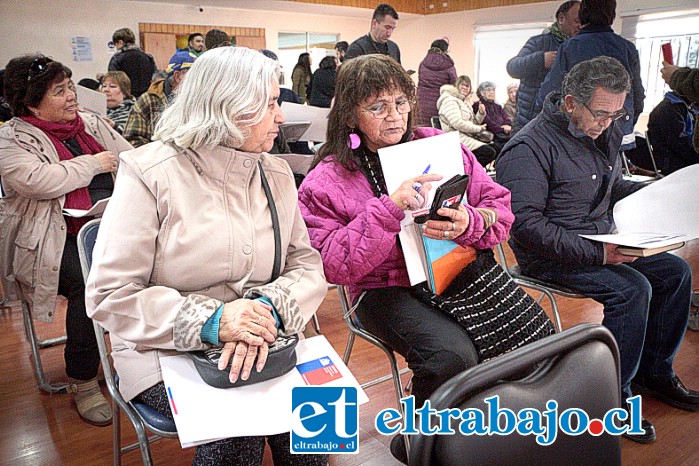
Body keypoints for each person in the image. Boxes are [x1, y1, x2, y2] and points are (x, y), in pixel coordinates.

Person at [85, 46, 327, 465]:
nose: (282, 117)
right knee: (238, 432)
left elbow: (306, 265)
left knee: (323, 417)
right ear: (229, 107)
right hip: (162, 347)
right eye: (271, 104)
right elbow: (110, 294)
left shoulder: (275, 172)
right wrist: (214, 321)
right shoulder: (149, 172)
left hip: (267, 335)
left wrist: (267, 307)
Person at [298, 54, 514, 462]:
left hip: (452, 270)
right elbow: (333, 265)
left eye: (400, 102)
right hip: (382, 289)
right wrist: (387, 209)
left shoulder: (436, 144)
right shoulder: (326, 178)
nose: (394, 116)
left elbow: (500, 212)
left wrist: (468, 221)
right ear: (349, 114)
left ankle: (467, 432)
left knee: (516, 337)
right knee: (451, 355)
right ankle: (420, 441)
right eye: (377, 107)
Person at [496, 57, 699, 445]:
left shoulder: (600, 131)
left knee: (675, 272)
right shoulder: (527, 147)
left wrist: (663, 193)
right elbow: (525, 226)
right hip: (550, 253)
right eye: (602, 113)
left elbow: (611, 188)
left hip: (599, 240)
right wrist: (599, 255)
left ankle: (655, 373)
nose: (609, 122)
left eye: (617, 113)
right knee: (632, 289)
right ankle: (609, 399)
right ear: (570, 103)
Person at [0, 54, 132, 426]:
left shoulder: (89, 124)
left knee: (166, 260)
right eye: (60, 91)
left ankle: (141, 361)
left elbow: (134, 160)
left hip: (110, 227)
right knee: (91, 285)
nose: (73, 96)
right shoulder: (11, 139)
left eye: (70, 86)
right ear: (30, 102)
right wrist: (96, 164)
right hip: (52, 243)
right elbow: (38, 181)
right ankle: (84, 380)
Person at [536, 0, 644, 150]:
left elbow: (549, 92)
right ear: (612, 15)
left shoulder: (570, 46)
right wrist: (626, 123)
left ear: (582, 15)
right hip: (619, 129)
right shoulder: (627, 48)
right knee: (611, 171)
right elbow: (638, 96)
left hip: (580, 129)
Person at [506, 0, 581, 132]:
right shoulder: (539, 42)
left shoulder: (579, 48)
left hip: (559, 124)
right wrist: (541, 59)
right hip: (528, 122)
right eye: (576, 20)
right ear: (561, 18)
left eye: (583, 22)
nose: (580, 25)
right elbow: (512, 67)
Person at [122, 50, 196, 147]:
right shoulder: (149, 100)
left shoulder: (200, 100)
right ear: (178, 76)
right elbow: (132, 140)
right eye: (195, 76)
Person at [437, 75, 497, 167]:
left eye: (467, 86)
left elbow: (474, 122)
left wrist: (481, 113)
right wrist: (478, 129)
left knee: (497, 148)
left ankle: (475, 172)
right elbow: (457, 123)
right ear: (456, 86)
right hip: (456, 137)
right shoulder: (449, 100)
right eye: (462, 85)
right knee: (488, 152)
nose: (465, 88)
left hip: (466, 135)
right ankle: (468, 173)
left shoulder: (464, 102)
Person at [647, 91, 698, 175]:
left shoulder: (689, 106)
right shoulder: (670, 108)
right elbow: (681, 144)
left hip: (685, 160)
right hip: (675, 164)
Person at [417, 38, 457, 127]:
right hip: (440, 104)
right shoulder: (449, 66)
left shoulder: (423, 64)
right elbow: (455, 85)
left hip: (421, 102)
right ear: (445, 50)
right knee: (436, 132)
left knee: (422, 131)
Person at [108, 28, 157, 98]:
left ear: (120, 42)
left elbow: (113, 82)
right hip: (146, 99)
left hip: (127, 100)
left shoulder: (117, 58)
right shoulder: (148, 58)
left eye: (116, 44)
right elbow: (155, 79)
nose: (116, 48)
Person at [661, 62, 699, 152]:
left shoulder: (683, 107)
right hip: (678, 160)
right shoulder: (672, 108)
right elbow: (679, 144)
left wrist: (678, 76)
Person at [475, 81, 512, 150]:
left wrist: (508, 126)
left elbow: (506, 118)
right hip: (490, 136)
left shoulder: (498, 107)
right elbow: (487, 123)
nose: (492, 92)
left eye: (493, 90)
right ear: (482, 92)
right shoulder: (478, 105)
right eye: (488, 90)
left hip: (503, 135)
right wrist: (502, 129)